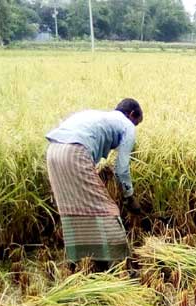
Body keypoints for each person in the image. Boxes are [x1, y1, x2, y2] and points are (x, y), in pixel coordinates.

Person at [45, 98, 143, 270]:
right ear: (132, 115)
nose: (134, 127)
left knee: (73, 207)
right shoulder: (127, 126)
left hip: (53, 153)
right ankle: (119, 264)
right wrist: (129, 197)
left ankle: (81, 261)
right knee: (107, 209)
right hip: (75, 153)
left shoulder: (94, 115)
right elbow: (121, 168)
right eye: (136, 123)